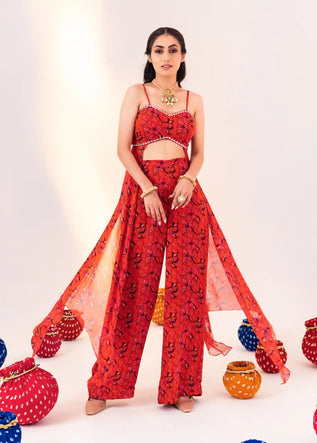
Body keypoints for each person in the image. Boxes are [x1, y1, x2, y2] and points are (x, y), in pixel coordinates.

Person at [31, 27, 290, 415]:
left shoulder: (195, 100)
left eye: (173, 50)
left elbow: (198, 153)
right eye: (159, 50)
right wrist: (148, 190)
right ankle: (105, 385)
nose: (166, 56)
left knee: (186, 293)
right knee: (132, 288)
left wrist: (188, 179)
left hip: (186, 198)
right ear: (149, 56)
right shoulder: (136, 94)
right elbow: (122, 149)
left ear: (183, 56)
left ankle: (181, 387)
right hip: (143, 196)